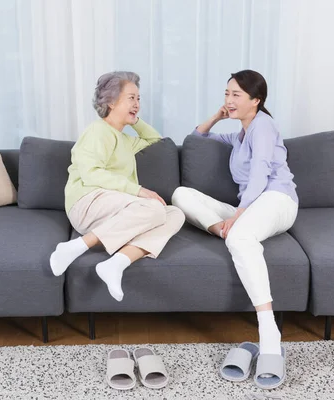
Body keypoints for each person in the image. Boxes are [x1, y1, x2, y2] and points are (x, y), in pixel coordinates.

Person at [172, 70, 298, 388]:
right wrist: (218, 115)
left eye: (237, 95)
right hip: (252, 207)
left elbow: (259, 175)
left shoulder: (263, 127)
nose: (230, 100)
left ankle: (268, 333)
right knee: (180, 195)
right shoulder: (239, 134)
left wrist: (239, 215)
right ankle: (224, 230)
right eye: (227, 93)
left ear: (256, 100)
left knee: (241, 234)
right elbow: (197, 136)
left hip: (276, 201)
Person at [49, 71, 185, 302]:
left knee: (175, 213)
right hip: (87, 203)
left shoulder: (123, 139)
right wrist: (139, 190)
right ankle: (75, 246)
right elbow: (91, 173)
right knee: (153, 208)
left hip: (114, 211)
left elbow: (155, 140)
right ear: (111, 102)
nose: (138, 104)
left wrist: (133, 118)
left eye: (139, 99)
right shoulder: (97, 131)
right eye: (131, 98)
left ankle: (116, 263)